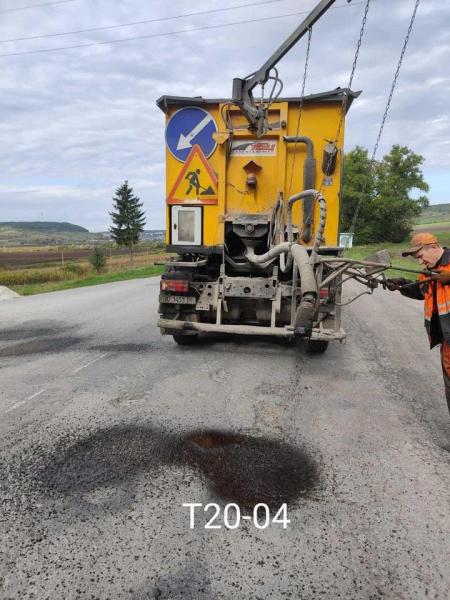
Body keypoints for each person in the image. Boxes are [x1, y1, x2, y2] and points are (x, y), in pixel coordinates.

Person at [387, 233, 450, 414]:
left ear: (432, 247)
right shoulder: (427, 272)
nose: (419, 262)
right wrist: (401, 285)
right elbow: (421, 291)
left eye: (420, 257)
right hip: (447, 341)